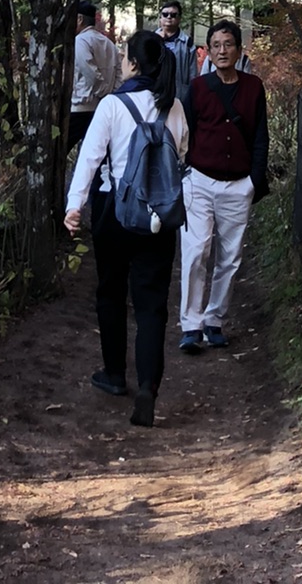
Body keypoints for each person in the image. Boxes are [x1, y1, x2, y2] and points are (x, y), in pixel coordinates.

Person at [65, 29, 190, 428]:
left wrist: (74, 206)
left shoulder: (111, 106)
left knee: (111, 292)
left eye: (124, 56)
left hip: (114, 212)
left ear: (133, 62)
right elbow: (182, 154)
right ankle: (148, 388)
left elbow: (89, 158)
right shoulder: (173, 107)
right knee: (153, 304)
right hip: (158, 215)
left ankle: (115, 374)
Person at [179, 18, 268, 352]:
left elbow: (261, 136)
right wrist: (184, 170)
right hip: (199, 181)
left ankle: (214, 319)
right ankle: (190, 325)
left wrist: (254, 181)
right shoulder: (198, 89)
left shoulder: (253, 87)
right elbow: (184, 131)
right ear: (208, 51)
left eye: (228, 44)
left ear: (239, 49)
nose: (221, 50)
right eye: (215, 45)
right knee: (195, 251)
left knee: (230, 257)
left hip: (238, 184)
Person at [70, 0, 120, 147]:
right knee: (95, 153)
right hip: (101, 109)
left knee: (58, 149)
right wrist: (109, 97)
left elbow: (91, 73)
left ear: (79, 19)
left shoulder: (80, 41)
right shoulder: (109, 43)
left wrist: (102, 92)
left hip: (80, 107)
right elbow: (119, 76)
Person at [155, 0, 197, 104]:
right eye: (165, 14)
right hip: (155, 95)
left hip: (179, 97)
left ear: (179, 19)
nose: (169, 17)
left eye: (173, 15)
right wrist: (157, 41)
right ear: (160, 18)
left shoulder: (187, 43)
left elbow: (193, 74)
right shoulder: (151, 41)